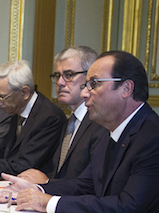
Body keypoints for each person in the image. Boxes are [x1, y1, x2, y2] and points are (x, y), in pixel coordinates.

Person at [1, 51, 159, 213]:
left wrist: (49, 203)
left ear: (126, 88)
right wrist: (37, 189)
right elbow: (84, 185)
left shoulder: (156, 140)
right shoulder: (109, 132)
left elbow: (126, 208)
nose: (85, 93)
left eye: (94, 84)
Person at [19, 46, 108, 183]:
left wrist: (47, 182)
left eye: (69, 75)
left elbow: (90, 184)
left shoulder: (101, 123)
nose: (60, 83)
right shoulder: (69, 122)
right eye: (57, 76)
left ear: (89, 78)